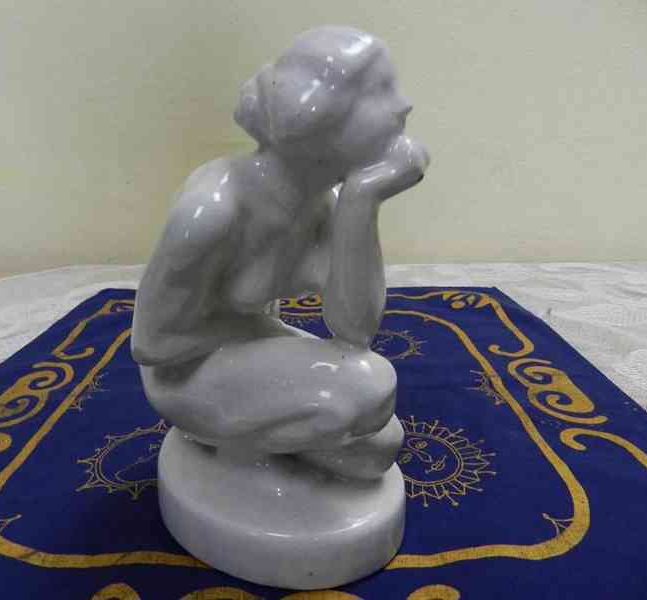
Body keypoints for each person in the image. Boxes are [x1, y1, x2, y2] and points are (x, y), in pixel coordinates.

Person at [132, 26, 429, 479]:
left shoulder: (323, 204)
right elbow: (151, 344)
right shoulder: (213, 211)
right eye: (378, 90)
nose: (403, 104)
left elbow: (355, 331)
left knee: (378, 448)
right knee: (368, 386)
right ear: (318, 119)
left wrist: (362, 199)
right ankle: (232, 453)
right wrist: (267, 347)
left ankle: (258, 443)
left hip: (247, 344)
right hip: (185, 373)